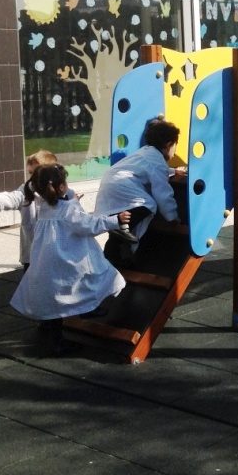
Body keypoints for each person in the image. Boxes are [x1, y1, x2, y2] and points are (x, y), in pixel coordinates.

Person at [11, 164, 130, 355]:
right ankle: (63, 337)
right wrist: (116, 219)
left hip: (46, 261)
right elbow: (88, 225)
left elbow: (67, 211)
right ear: (60, 187)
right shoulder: (67, 210)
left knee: (54, 298)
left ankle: (53, 333)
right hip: (66, 259)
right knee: (101, 277)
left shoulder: (43, 206)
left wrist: (72, 201)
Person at [96, 119, 182, 265]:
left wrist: (173, 171)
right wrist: (172, 217)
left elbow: (147, 169)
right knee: (149, 205)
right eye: (175, 146)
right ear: (168, 145)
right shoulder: (157, 160)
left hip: (110, 183)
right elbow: (163, 194)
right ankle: (123, 229)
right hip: (123, 186)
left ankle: (111, 260)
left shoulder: (146, 152)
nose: (174, 151)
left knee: (116, 239)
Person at [0, 149, 63, 268]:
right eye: (30, 173)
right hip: (31, 254)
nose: (33, 178)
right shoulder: (27, 190)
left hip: (55, 252)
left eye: (37, 173)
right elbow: (12, 197)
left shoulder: (61, 192)